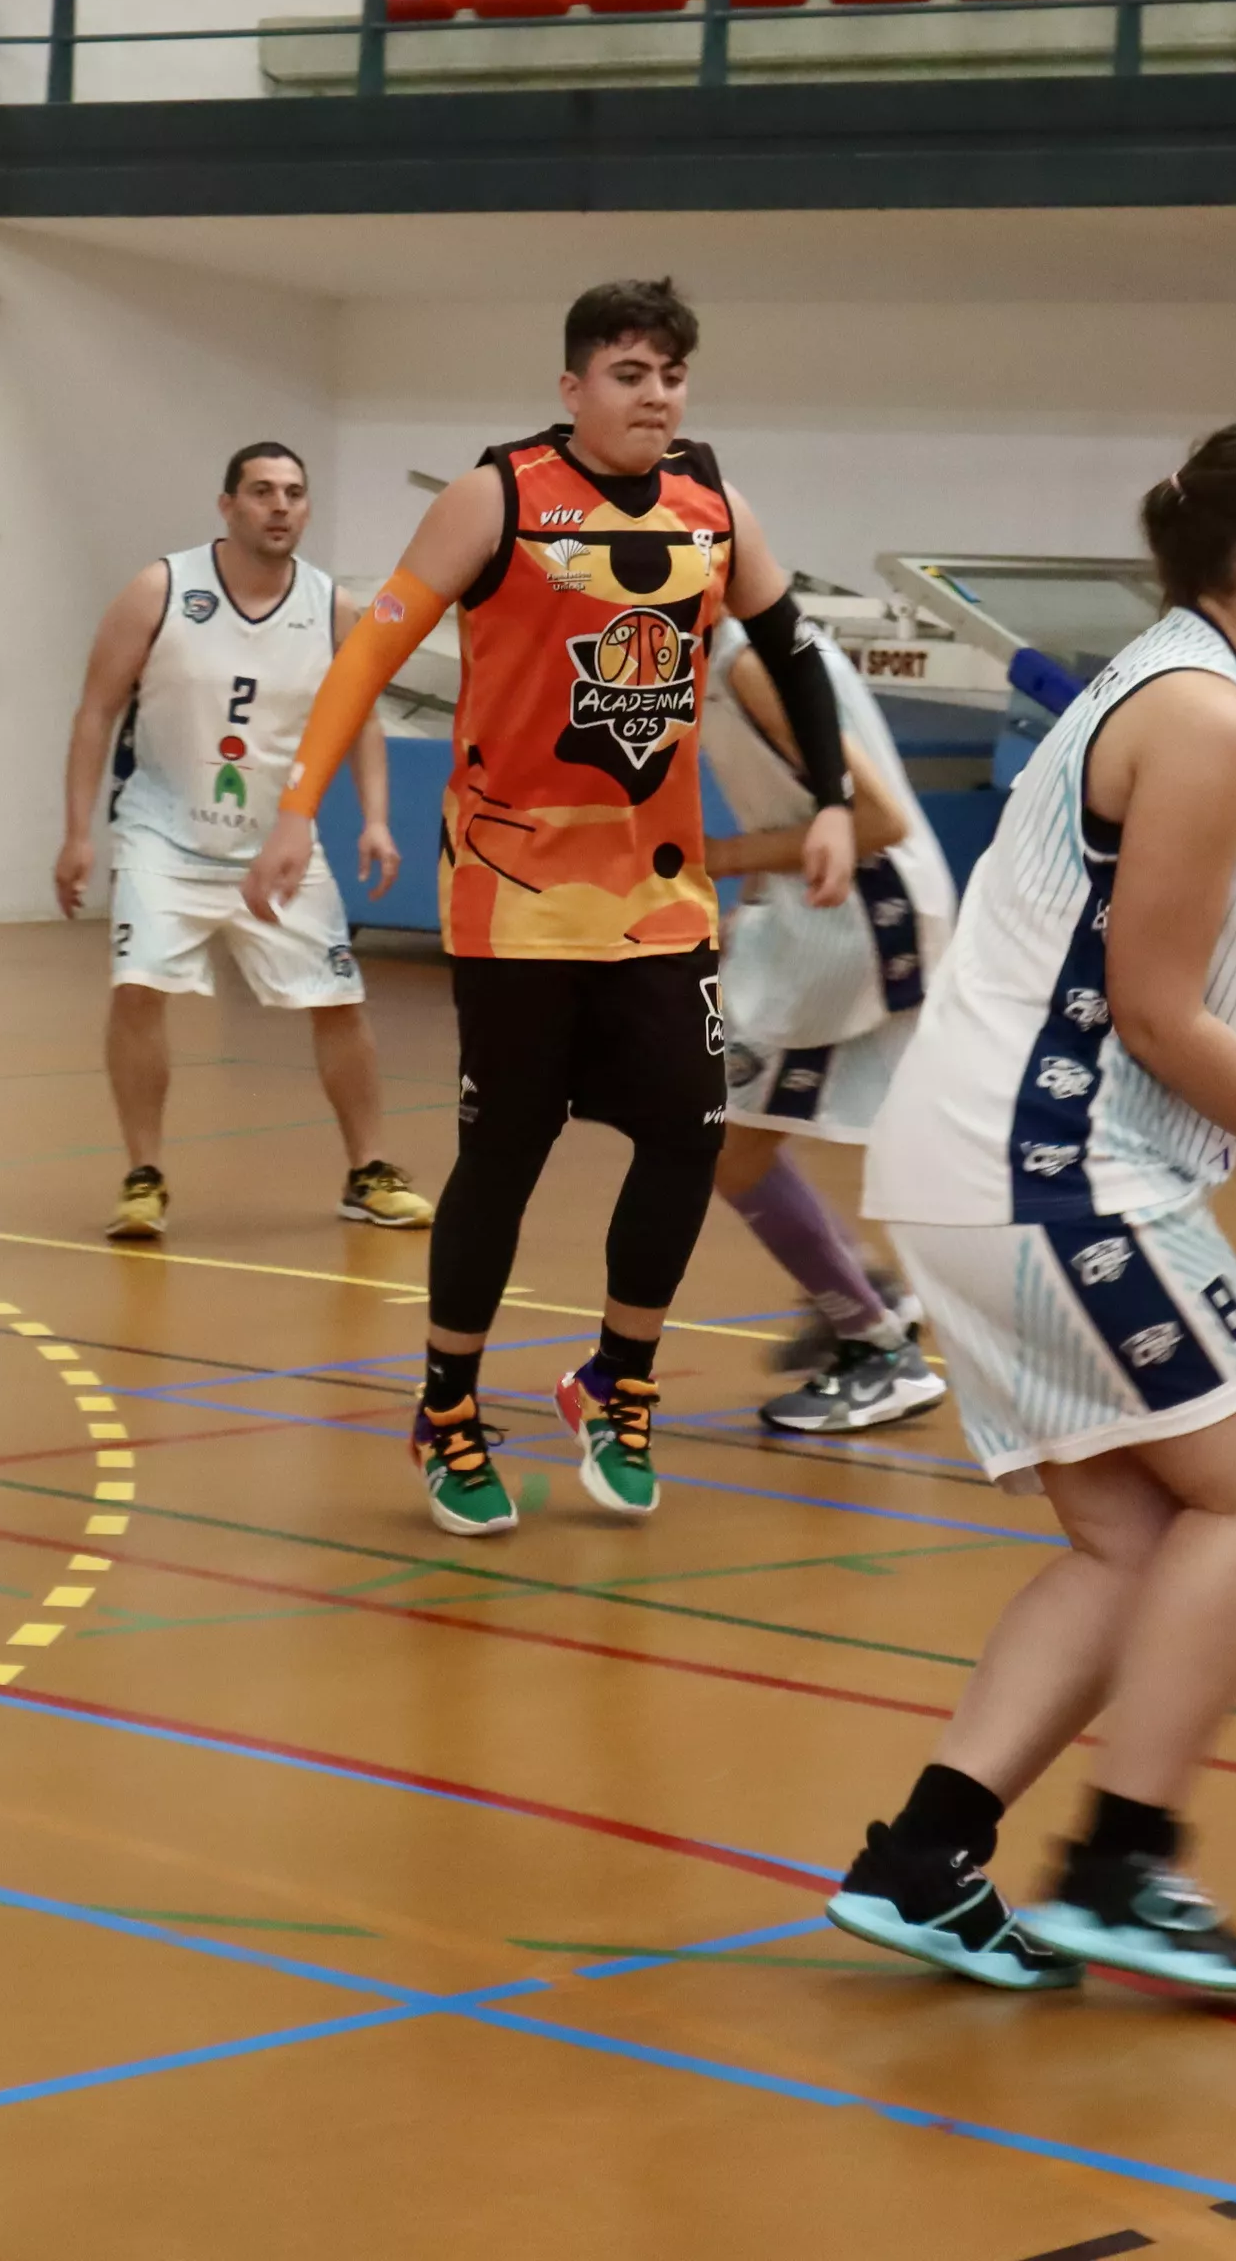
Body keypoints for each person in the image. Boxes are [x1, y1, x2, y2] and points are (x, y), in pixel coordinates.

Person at [823, 420, 1236, 1994]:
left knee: (1134, 1536)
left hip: (980, 1167)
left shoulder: (1187, 690)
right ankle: (1122, 1862)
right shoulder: (1197, 720)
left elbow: (1224, 995)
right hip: (1045, 1171)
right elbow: (1168, 1021)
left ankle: (925, 1855)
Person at [243, 279, 860, 1536]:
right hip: (514, 888)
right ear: (573, 387)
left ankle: (618, 1384)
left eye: (673, 375)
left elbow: (793, 646)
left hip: (659, 894)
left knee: (688, 1134)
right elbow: (368, 647)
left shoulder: (714, 505)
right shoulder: (501, 496)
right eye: (630, 374)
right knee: (507, 1153)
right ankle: (449, 1407)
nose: (657, 396)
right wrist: (299, 803)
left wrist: (836, 794)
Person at [51, 441, 434, 1241]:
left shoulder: (332, 606)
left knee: (338, 1000)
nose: (280, 506)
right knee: (139, 986)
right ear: (228, 505)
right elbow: (96, 710)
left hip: (276, 844)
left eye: (294, 492)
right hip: (162, 829)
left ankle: (367, 1170)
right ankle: (144, 1174)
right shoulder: (161, 589)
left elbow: (360, 713)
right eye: (262, 491)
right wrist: (76, 833)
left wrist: (372, 817)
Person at [694, 607, 952, 1433]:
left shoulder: (749, 666)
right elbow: (789, 803)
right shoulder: (737, 651)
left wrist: (721, 858)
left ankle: (879, 1347)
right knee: (728, 1134)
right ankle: (865, 1296)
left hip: (860, 915)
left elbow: (875, 821)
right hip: (833, 913)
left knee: (723, 1143)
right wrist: (750, 897)